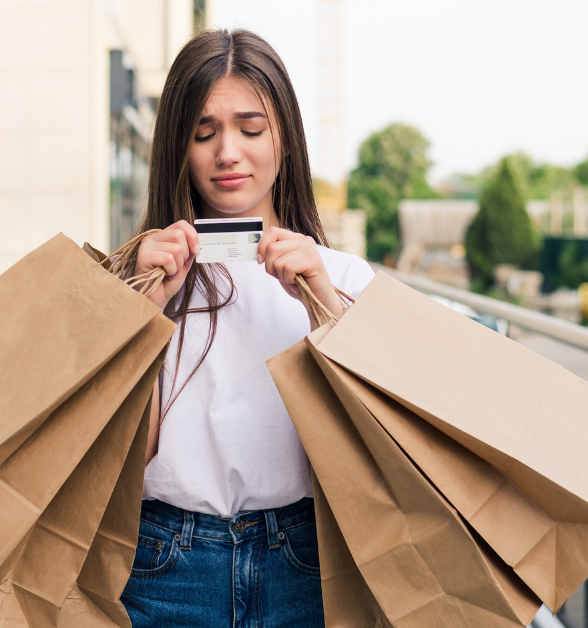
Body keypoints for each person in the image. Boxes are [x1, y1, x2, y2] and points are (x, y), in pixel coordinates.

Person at [118, 29, 375, 627]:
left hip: (306, 562)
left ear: (285, 136)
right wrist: (141, 312)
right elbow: (123, 460)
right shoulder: (139, 278)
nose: (227, 152)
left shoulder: (342, 278)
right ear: (177, 147)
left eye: (251, 128)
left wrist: (324, 307)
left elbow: (379, 452)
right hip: (165, 563)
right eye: (204, 133)